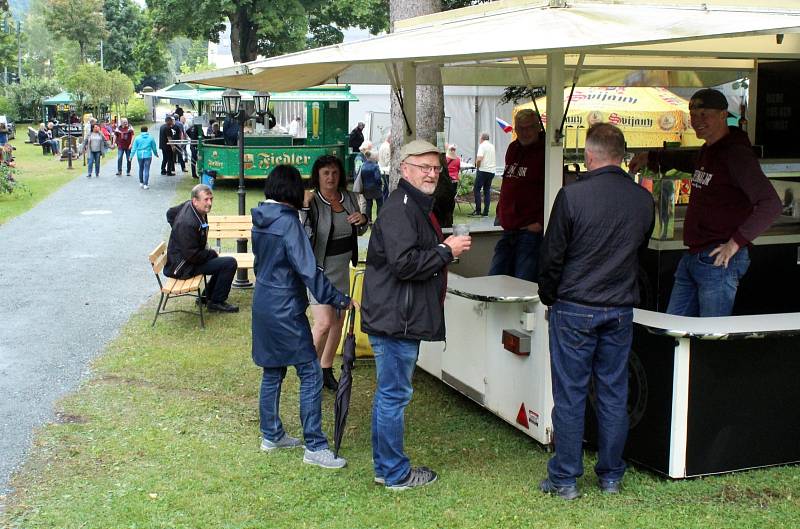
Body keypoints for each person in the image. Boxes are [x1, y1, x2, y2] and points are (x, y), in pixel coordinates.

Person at [537, 123, 654, 500]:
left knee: (570, 394)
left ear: (589, 155)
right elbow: (639, 252)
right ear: (621, 156)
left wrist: (548, 296)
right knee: (613, 392)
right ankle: (610, 476)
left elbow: (552, 257)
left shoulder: (573, 196)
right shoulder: (642, 199)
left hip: (574, 306)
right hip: (618, 307)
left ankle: (566, 479)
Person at [361, 139, 472, 490]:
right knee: (394, 397)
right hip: (396, 320)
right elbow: (405, 264)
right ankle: (395, 473)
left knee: (389, 395)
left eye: (436, 168)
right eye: (423, 167)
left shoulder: (416, 206)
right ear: (403, 169)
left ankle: (385, 468)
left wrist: (442, 251)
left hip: (397, 317)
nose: (431, 173)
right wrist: (445, 250)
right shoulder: (401, 208)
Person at [628, 88, 782, 316]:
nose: (697, 121)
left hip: (718, 260)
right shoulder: (709, 150)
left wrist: (735, 243)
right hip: (694, 255)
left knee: (711, 335)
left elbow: (771, 204)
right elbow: (686, 159)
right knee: (675, 330)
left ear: (723, 115)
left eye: (704, 114)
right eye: (693, 115)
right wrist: (651, 157)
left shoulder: (736, 154)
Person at [251, 165, 355, 469]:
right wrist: (339, 298)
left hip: (264, 302)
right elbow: (308, 269)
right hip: (284, 307)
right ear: (293, 190)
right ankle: (315, 445)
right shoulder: (288, 223)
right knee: (310, 373)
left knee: (273, 370)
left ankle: (271, 434)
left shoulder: (261, 217)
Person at [300, 155, 368, 391]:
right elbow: (301, 231)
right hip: (319, 269)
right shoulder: (311, 199)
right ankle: (307, 371)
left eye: (335, 172)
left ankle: (325, 369)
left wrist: (363, 220)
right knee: (324, 322)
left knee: (338, 321)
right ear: (317, 175)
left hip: (341, 267)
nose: (331, 177)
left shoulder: (349, 198)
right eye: (326, 173)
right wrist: (304, 207)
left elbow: (358, 230)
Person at [489, 109, 546, 282]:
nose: (525, 132)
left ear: (538, 127)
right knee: (495, 279)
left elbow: (556, 188)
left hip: (530, 231)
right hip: (509, 228)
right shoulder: (513, 148)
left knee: (524, 283)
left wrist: (541, 222)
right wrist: (501, 212)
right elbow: (509, 182)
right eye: (521, 128)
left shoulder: (546, 152)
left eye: (529, 128)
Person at [164, 184, 239, 313]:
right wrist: (210, 253)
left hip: (185, 261)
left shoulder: (192, 206)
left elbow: (170, 213)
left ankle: (206, 297)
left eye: (211, 199)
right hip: (182, 268)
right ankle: (216, 302)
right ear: (195, 200)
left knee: (221, 262)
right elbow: (192, 255)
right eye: (206, 199)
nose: (209, 203)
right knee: (229, 263)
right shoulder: (187, 223)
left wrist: (178, 235)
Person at [470, 132, 496, 217]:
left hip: (483, 170)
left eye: (480, 138)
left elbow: (479, 159)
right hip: (491, 171)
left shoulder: (482, 146)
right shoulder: (492, 146)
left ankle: (478, 210)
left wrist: (477, 166)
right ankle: (486, 212)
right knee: (487, 190)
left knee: (476, 189)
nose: (479, 139)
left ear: (482, 138)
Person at [130, 125, 158, 190]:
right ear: (147, 130)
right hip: (148, 155)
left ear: (141, 130)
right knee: (147, 169)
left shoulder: (137, 138)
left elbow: (134, 148)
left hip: (140, 155)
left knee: (141, 168)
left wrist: (131, 156)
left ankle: (141, 182)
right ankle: (146, 184)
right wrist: (156, 154)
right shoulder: (151, 138)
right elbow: (154, 147)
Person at [360, 149, 383, 222]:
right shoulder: (375, 166)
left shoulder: (362, 166)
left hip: (366, 188)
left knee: (368, 205)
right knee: (379, 203)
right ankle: (379, 219)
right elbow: (378, 178)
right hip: (375, 188)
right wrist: (380, 184)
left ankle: (369, 220)